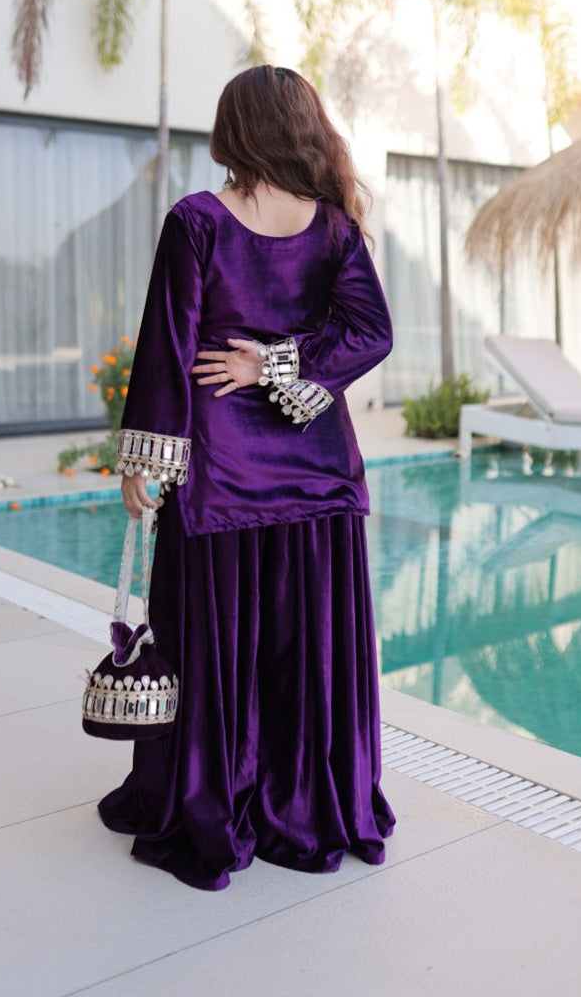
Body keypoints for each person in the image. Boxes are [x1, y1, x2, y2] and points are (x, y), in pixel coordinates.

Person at [98, 65, 395, 891]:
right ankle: (306, 805)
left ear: (235, 131)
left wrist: (147, 468)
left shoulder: (197, 222)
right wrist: (289, 364)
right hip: (317, 479)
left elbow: (165, 346)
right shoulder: (333, 228)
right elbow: (371, 336)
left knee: (218, 650)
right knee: (306, 651)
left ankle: (217, 803)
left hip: (222, 477)